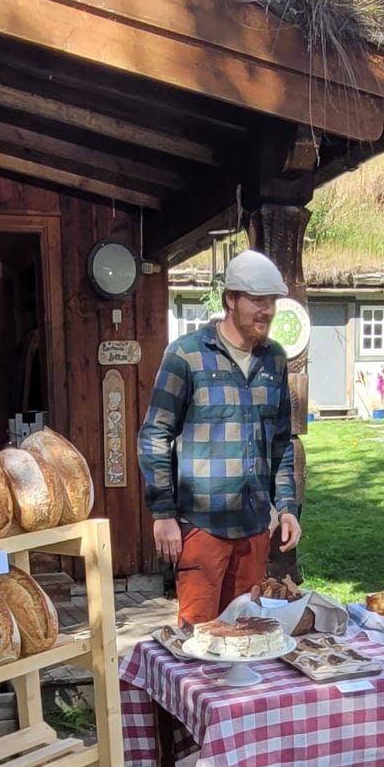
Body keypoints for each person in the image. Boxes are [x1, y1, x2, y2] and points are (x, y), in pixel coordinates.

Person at [137, 249, 301, 626]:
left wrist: (287, 506)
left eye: (272, 302)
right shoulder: (187, 355)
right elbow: (155, 434)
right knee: (198, 637)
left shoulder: (275, 359)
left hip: (256, 527)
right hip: (202, 526)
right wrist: (162, 513)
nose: (268, 311)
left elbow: (280, 442)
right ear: (231, 299)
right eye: (258, 301)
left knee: (247, 634)